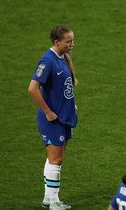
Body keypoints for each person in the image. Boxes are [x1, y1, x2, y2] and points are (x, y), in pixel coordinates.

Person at [28, 25, 78, 210]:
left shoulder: (63, 57)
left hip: (64, 116)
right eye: (68, 41)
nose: (72, 44)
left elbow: (63, 87)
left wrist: (71, 104)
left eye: (72, 40)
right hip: (53, 119)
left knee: (54, 158)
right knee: (56, 160)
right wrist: (48, 112)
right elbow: (32, 88)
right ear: (57, 42)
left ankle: (48, 198)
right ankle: (54, 201)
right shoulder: (47, 61)